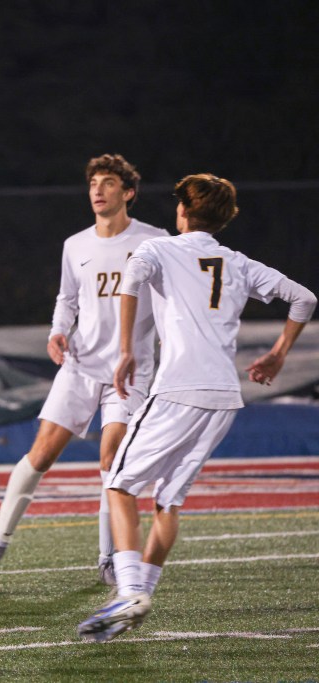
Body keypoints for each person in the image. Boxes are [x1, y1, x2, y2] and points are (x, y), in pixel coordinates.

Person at [78, 173, 316, 642]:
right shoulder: (238, 261)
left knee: (119, 484)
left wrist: (125, 349)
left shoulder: (160, 248)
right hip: (224, 397)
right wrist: (278, 353)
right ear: (224, 219)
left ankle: (128, 590)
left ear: (183, 210)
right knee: (168, 498)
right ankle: (142, 591)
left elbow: (130, 283)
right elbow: (304, 298)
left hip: (177, 389)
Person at [0, 154, 167, 586]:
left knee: (111, 456)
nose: (98, 190)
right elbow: (67, 299)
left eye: (109, 182)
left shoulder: (155, 241)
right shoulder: (75, 244)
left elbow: (172, 299)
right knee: (40, 455)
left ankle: (108, 557)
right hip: (80, 365)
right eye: (93, 182)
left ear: (128, 192)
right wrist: (58, 331)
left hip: (129, 371)